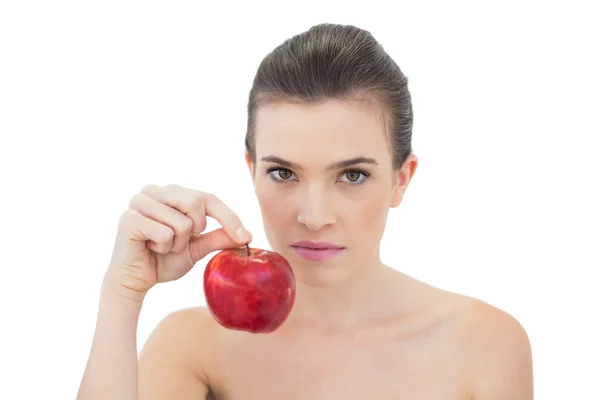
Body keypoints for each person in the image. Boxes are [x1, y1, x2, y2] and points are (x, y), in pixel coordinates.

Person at [77, 23, 533, 399]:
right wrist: (123, 293)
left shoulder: (486, 344)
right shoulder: (192, 345)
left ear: (401, 179)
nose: (315, 217)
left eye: (352, 175)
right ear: (252, 171)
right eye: (283, 174)